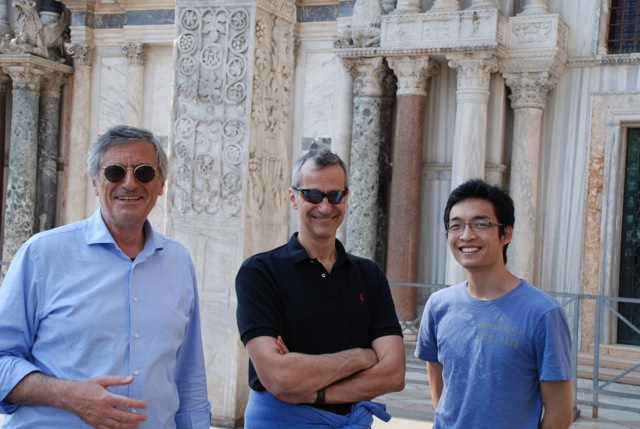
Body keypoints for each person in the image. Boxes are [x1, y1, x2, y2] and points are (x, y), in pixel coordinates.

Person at [0, 125, 211, 428]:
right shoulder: (42, 255)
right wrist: (68, 394)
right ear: (96, 183)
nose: (129, 183)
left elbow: (188, 376)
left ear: (161, 184)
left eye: (144, 172)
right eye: (114, 172)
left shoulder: (178, 261)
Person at [235, 149, 405, 428]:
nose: (325, 207)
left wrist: (316, 392)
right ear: (293, 198)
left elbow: (393, 374)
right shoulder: (259, 272)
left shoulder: (369, 275)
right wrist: (362, 357)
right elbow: (277, 377)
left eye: (335, 195)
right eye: (312, 195)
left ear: (346, 198)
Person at [415, 178, 573, 429]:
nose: (466, 235)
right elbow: (440, 386)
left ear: (506, 234)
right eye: (456, 226)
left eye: (481, 224)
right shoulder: (438, 305)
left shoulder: (543, 313)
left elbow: (560, 413)